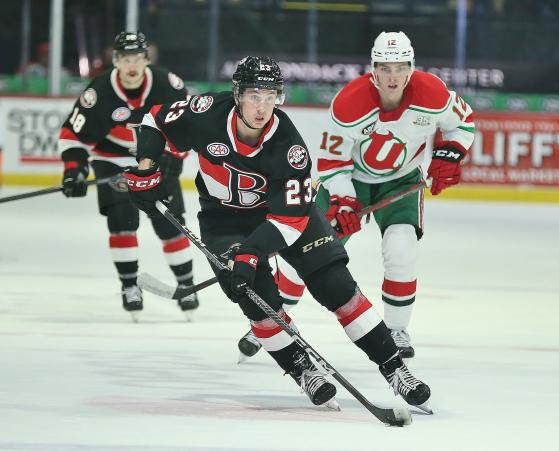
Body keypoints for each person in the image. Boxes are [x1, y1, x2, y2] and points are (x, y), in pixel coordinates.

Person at [123, 56, 431, 409]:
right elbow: (154, 120)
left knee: (336, 286)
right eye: (255, 96)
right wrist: (146, 167)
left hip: (286, 219)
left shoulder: (290, 148)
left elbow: (289, 221)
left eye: (271, 97)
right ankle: (301, 368)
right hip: (224, 221)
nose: (263, 107)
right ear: (237, 94)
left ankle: (394, 368)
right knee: (256, 297)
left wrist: (250, 254)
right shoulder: (206, 110)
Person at [247, 31, 475, 359]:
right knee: (306, 254)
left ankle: (396, 329)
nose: (392, 76)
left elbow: (463, 121)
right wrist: (344, 200)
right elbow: (331, 160)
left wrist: (450, 154)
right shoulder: (350, 102)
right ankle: (273, 318)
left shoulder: (433, 93)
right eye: (385, 67)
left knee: (401, 248)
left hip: (401, 181)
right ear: (373, 69)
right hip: (350, 181)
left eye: (400, 67)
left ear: (411, 67)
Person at [58, 31, 198, 319]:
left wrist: (174, 157)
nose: (131, 65)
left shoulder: (167, 86)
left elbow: (189, 127)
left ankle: (187, 284)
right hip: (112, 159)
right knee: (122, 221)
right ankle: (129, 286)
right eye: (125, 58)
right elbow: (73, 134)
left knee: (169, 223)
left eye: (137, 58)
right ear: (115, 61)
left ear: (147, 59)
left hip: (155, 158)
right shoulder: (99, 92)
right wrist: (74, 169)